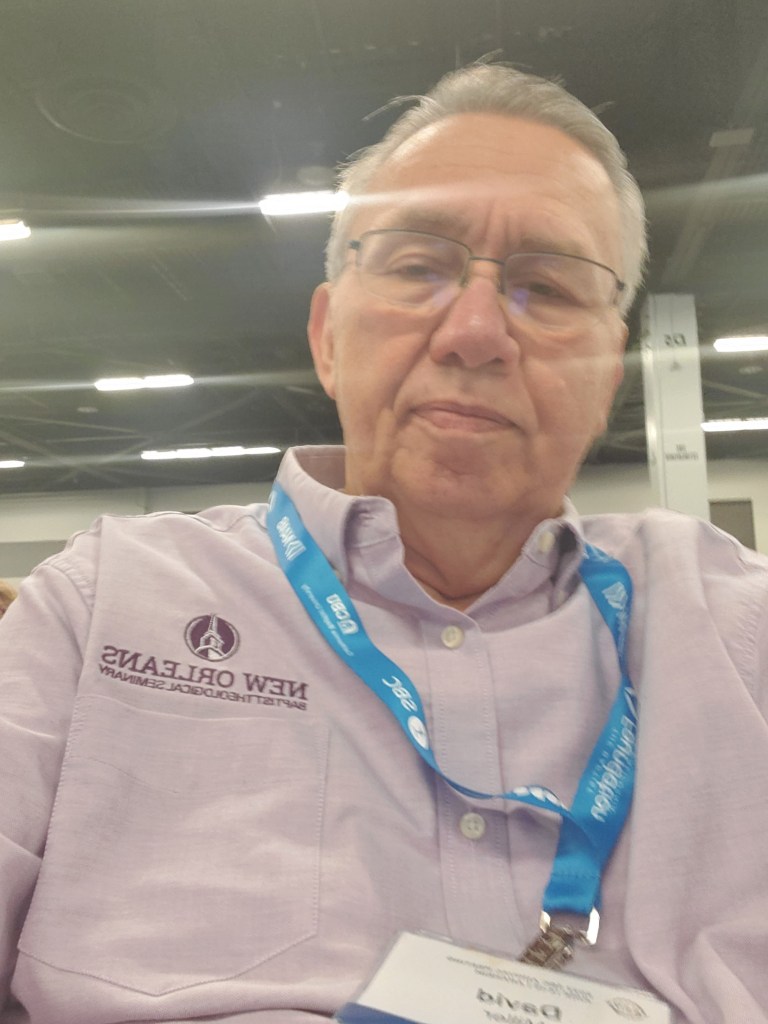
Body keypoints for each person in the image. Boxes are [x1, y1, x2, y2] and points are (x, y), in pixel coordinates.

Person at [0, 64, 766, 1024]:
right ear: (328, 336)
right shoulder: (104, 605)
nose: (476, 332)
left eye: (547, 286)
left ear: (609, 372)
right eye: (416, 267)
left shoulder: (738, 631)